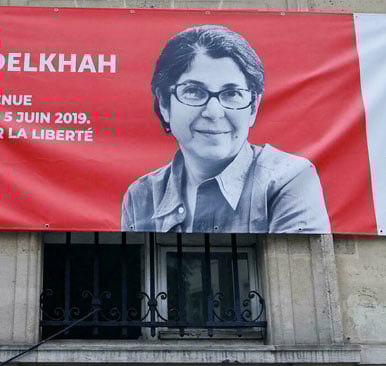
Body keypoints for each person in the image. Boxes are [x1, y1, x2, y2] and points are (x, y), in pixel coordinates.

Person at [121, 25, 330, 233]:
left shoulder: (290, 179)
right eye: (193, 91)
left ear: (253, 107)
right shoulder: (141, 196)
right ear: (165, 104)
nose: (214, 112)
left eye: (231, 93)